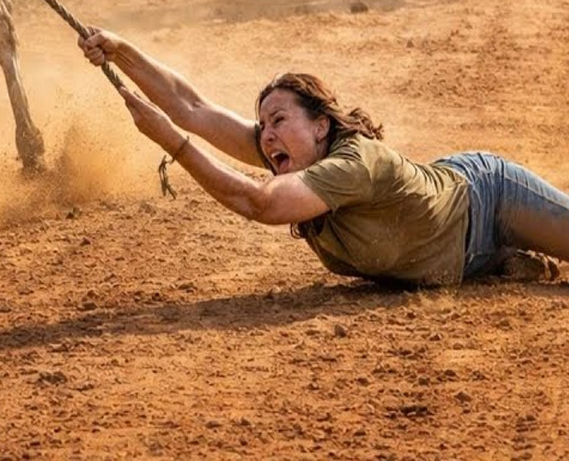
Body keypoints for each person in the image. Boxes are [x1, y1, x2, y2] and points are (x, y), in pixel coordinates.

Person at [78, 28, 569, 287]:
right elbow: (192, 108)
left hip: (490, 199)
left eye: (279, 120)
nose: (267, 136)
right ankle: (499, 262)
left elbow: (260, 204)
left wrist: (173, 144)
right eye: (263, 126)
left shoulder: (353, 164)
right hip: (448, 255)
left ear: (321, 126)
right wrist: (122, 52)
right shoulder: (294, 155)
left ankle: (503, 250)